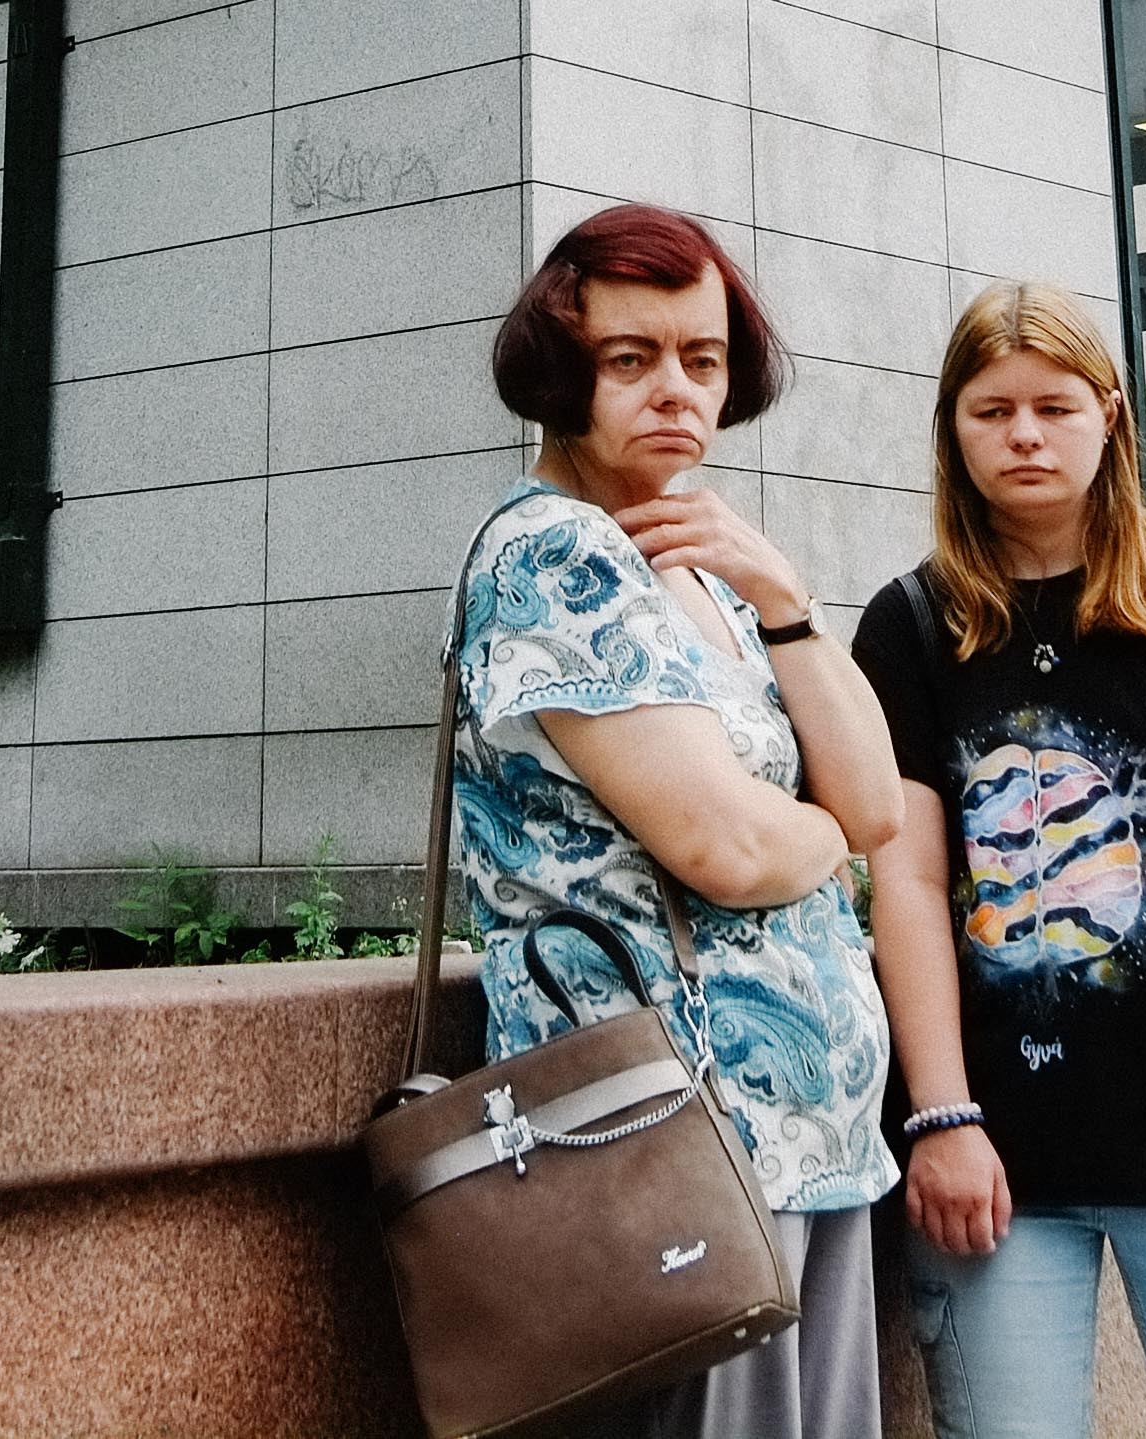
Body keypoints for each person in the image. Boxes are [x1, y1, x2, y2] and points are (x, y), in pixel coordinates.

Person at [852, 280, 1146, 1439]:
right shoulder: (908, 626)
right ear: (951, 428)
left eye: (1053, 407)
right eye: (991, 410)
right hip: (992, 1159)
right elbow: (904, 882)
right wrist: (939, 1116)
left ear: (1108, 415)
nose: (1023, 434)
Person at [450, 202, 904, 1438]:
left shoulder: (698, 561)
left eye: (701, 359)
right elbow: (731, 846)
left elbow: (876, 800)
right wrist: (818, 830)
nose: (675, 389)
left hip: (804, 1143)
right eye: (629, 357)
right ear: (563, 372)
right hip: (670, 1146)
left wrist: (784, 596)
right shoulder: (551, 558)